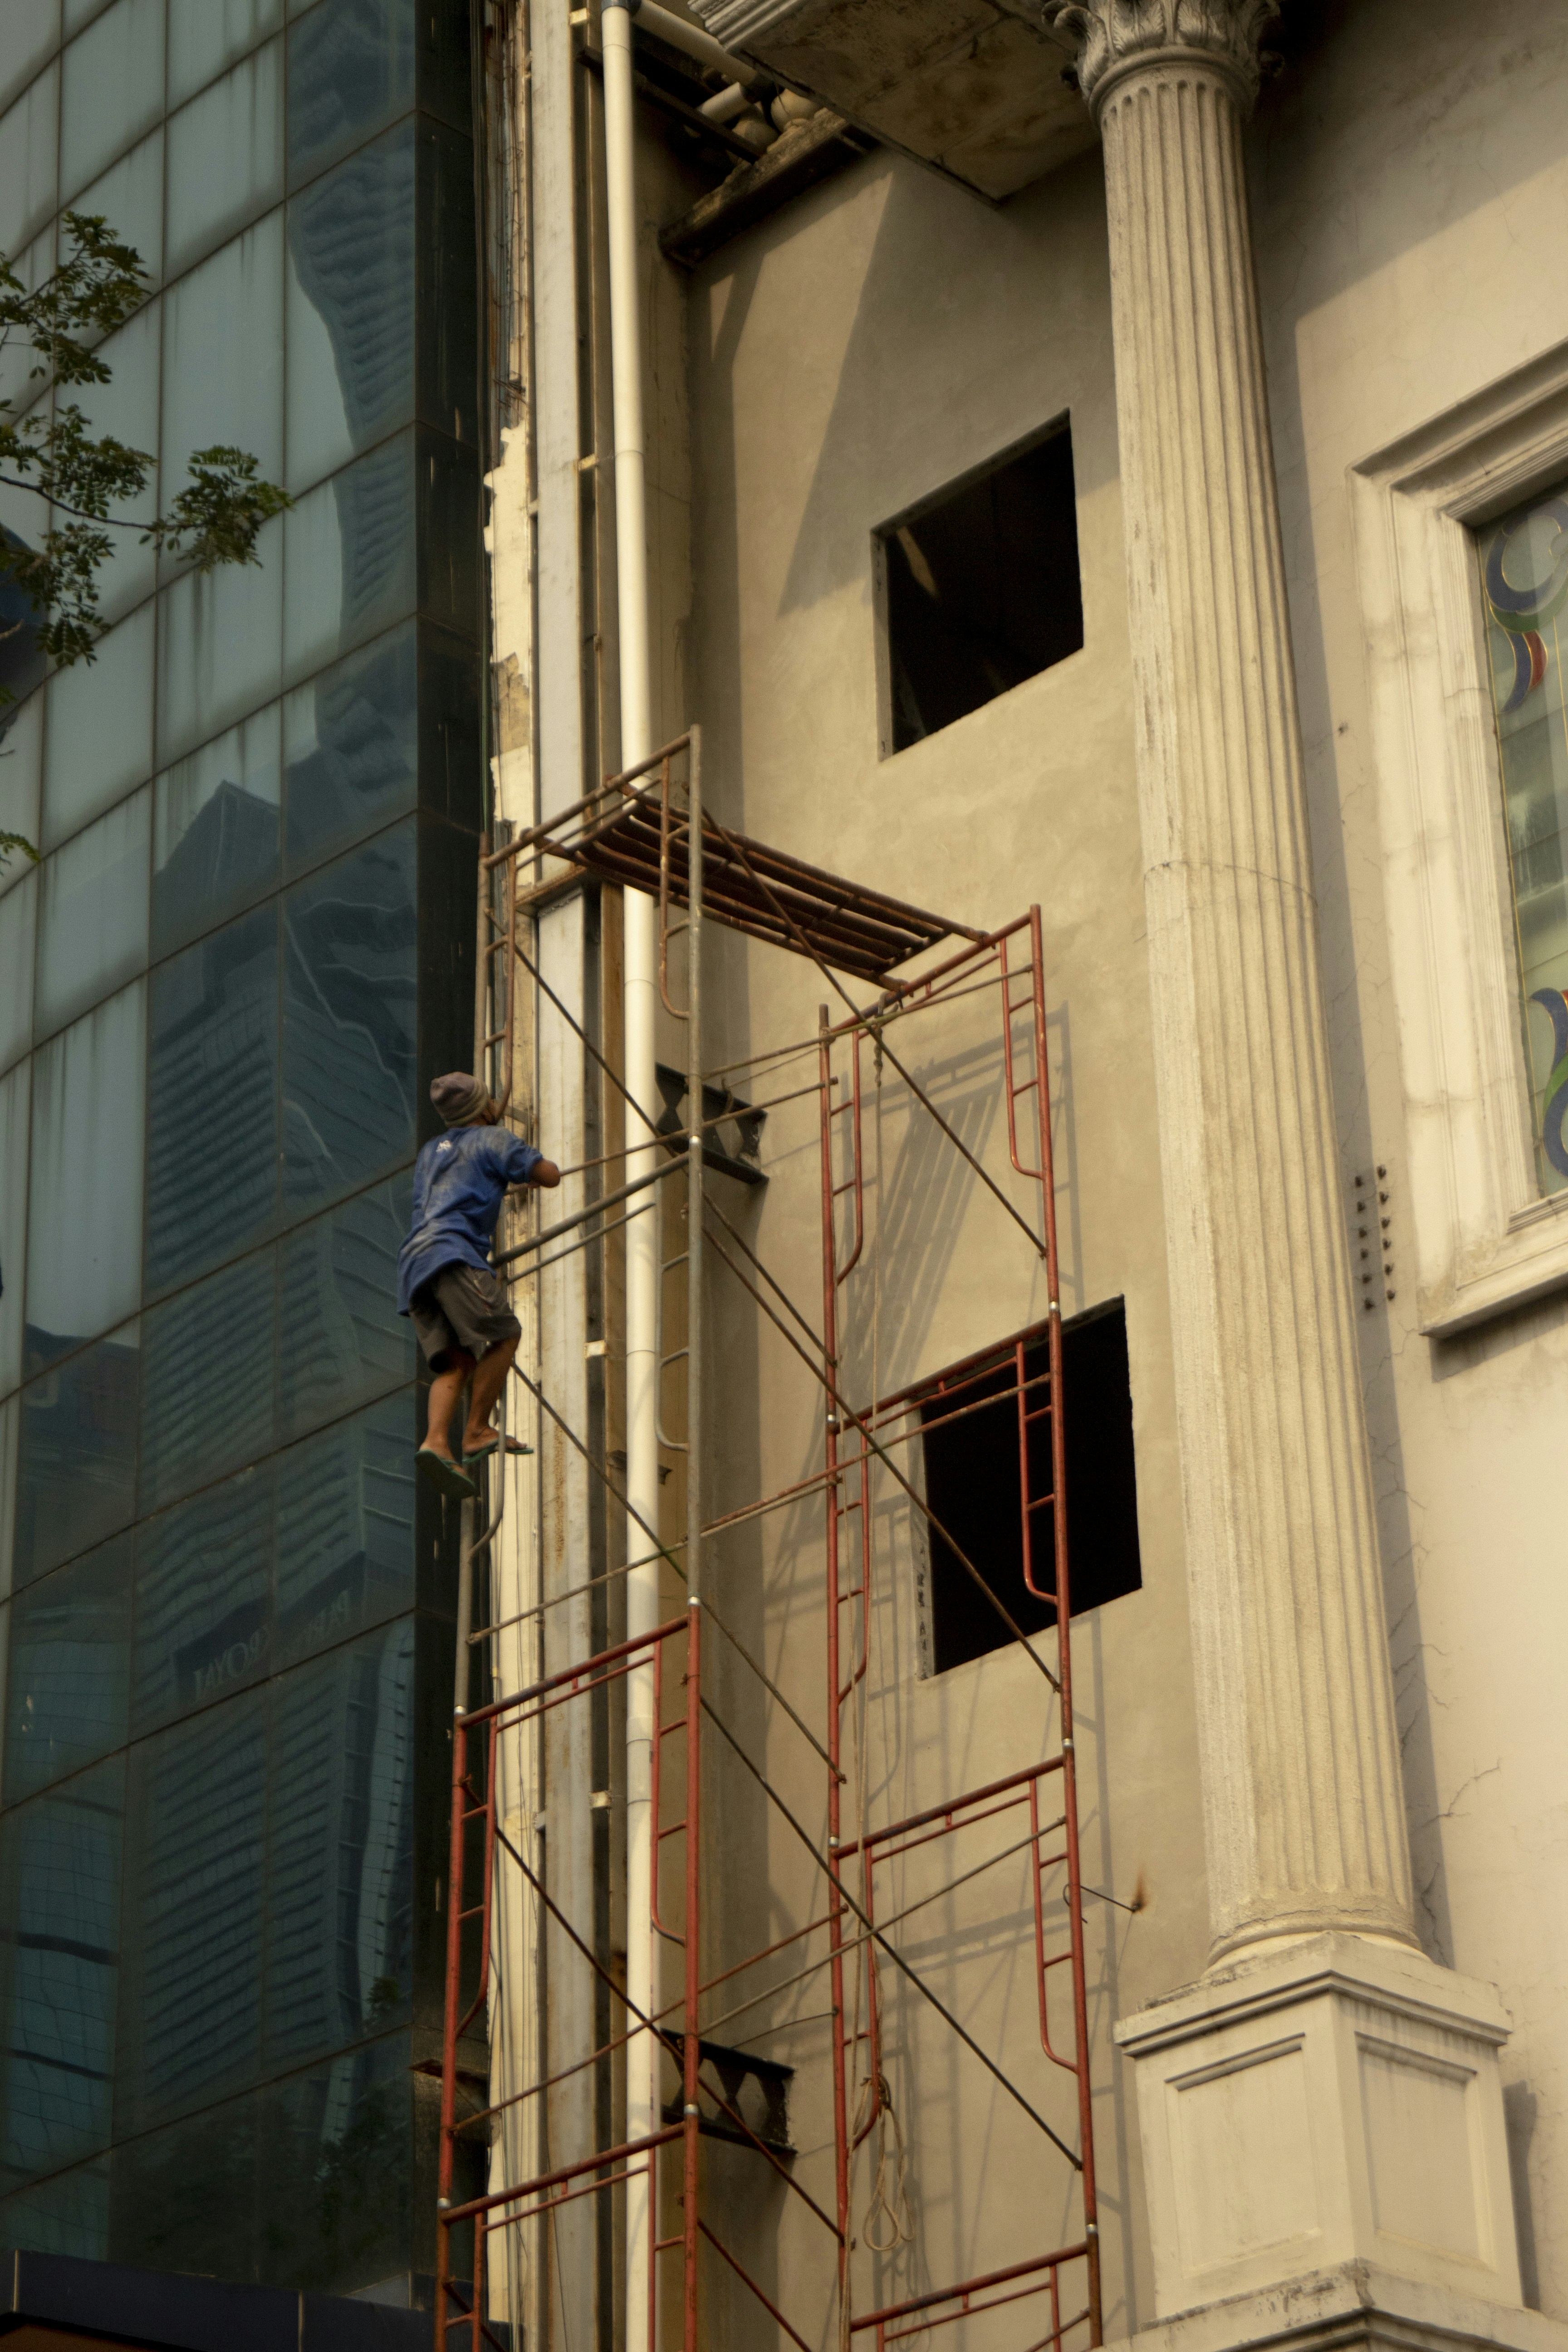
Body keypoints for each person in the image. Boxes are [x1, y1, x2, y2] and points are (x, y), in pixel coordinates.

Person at [398, 1071, 560, 1499]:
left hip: (416, 1265)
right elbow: (549, 1175)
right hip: (454, 1256)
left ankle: (436, 1442)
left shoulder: (430, 1153)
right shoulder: (492, 1139)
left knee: (457, 1361)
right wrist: (532, 1165)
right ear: (485, 1108)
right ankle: (475, 1430)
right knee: (505, 1335)